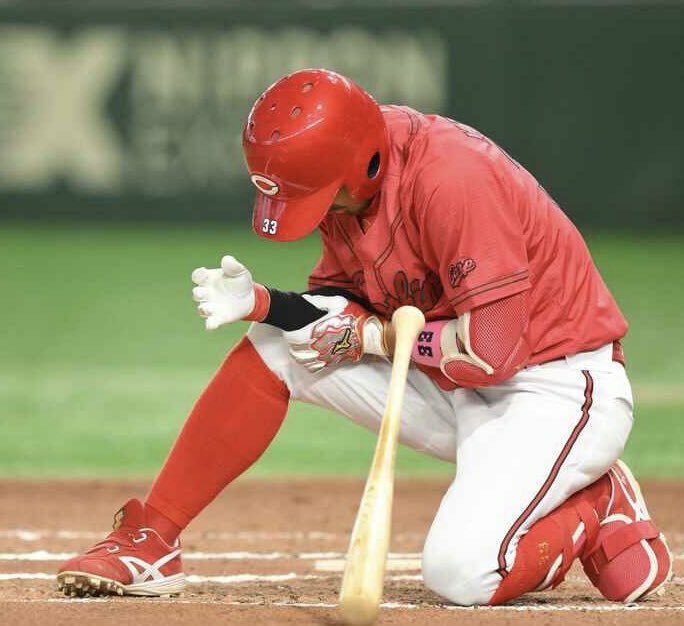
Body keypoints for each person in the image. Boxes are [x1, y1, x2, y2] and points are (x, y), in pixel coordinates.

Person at [57, 68, 672, 605]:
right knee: (278, 347)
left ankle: (595, 500)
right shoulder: (349, 185)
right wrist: (267, 305)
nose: (320, 212)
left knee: (461, 574)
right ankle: (153, 538)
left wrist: (371, 338)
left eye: (323, 198)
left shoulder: (453, 179)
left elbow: (492, 350)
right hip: (449, 379)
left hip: (553, 388)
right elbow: (345, 310)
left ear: (366, 164)